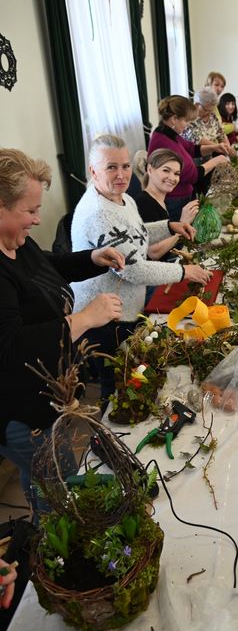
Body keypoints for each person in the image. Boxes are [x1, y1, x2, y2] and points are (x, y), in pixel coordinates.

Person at [0, 148, 126, 505]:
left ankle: (42, 529)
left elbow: (46, 265)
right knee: (62, 486)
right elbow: (9, 347)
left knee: (41, 483)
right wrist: (83, 320)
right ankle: (51, 552)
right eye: (30, 210)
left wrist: (92, 259)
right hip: (20, 413)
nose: (38, 219)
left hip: (45, 398)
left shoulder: (16, 243)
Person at [70, 134, 211, 401]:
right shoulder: (98, 213)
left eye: (124, 166)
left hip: (124, 307)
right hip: (106, 318)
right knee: (117, 387)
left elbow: (134, 234)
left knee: (131, 375)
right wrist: (183, 272)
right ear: (93, 171)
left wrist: (168, 226)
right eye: (111, 167)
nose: (122, 174)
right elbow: (132, 269)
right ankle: (112, 437)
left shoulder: (123, 197)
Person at [147, 95, 229, 219]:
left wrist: (214, 147)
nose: (187, 125)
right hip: (174, 202)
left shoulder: (170, 134)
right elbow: (192, 175)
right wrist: (216, 161)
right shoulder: (163, 142)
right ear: (174, 119)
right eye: (186, 121)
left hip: (182, 198)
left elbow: (192, 148)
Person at [135, 148, 198, 261]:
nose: (172, 178)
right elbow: (153, 252)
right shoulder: (143, 203)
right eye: (166, 170)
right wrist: (182, 224)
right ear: (150, 170)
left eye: (176, 173)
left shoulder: (160, 201)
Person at [182, 87, 234, 155]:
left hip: (213, 156)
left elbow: (221, 134)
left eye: (211, 110)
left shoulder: (212, 116)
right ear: (197, 104)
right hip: (196, 159)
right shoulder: (189, 119)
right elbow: (198, 139)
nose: (209, 113)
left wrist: (228, 147)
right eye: (206, 110)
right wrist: (219, 147)